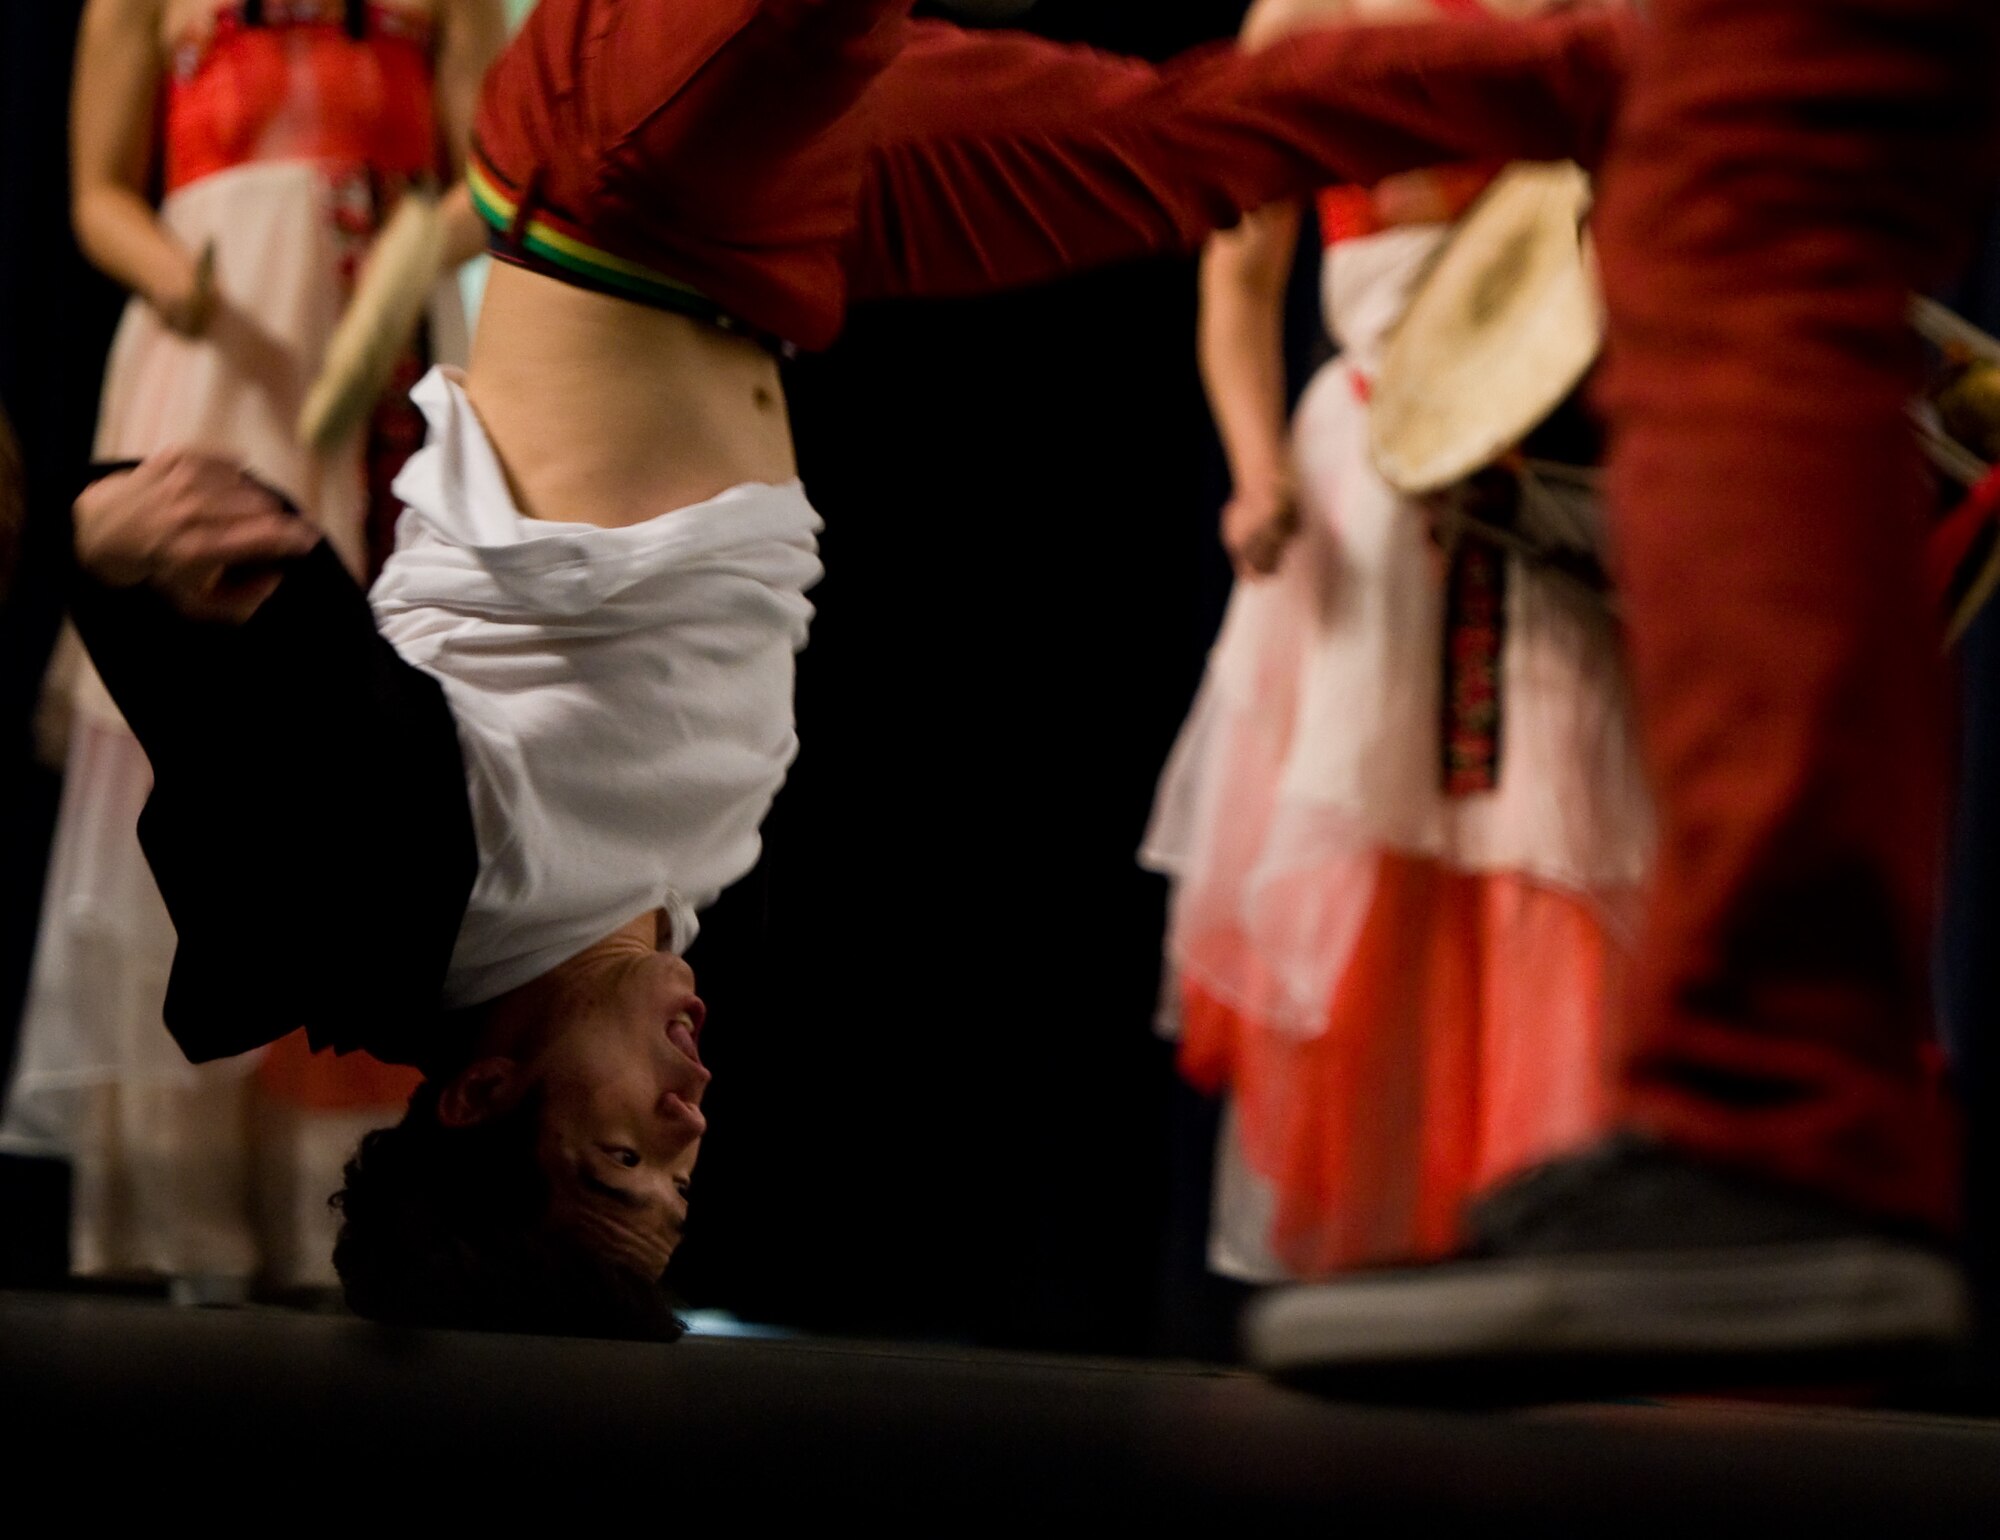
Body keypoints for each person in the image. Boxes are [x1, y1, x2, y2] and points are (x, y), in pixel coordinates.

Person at [65, 0, 1636, 1335]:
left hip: (623, 170)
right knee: (1187, 145)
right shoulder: (647, 903)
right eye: (684, 1182)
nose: (691, 1125)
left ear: (478, 1100)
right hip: (768, 235)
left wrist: (103, 552)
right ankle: (1649, 64)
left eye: (629, 1161)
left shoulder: (412, 902)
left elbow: (261, 745)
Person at [2, 0, 505, 1295]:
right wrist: (187, 281)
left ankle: (327, 1206)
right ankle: (182, 1205)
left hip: (379, 353)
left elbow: (490, 179)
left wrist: (410, 254)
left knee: (373, 748)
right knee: (204, 723)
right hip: (221, 354)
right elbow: (99, 194)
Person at [1142, 0, 1650, 1284]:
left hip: (1559, 473)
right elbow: (1238, 274)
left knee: (1555, 841)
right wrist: (1255, 470)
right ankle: (1376, 1254)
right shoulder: (1304, 13)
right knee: (1362, 859)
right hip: (1370, 475)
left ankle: (1554, 1243)